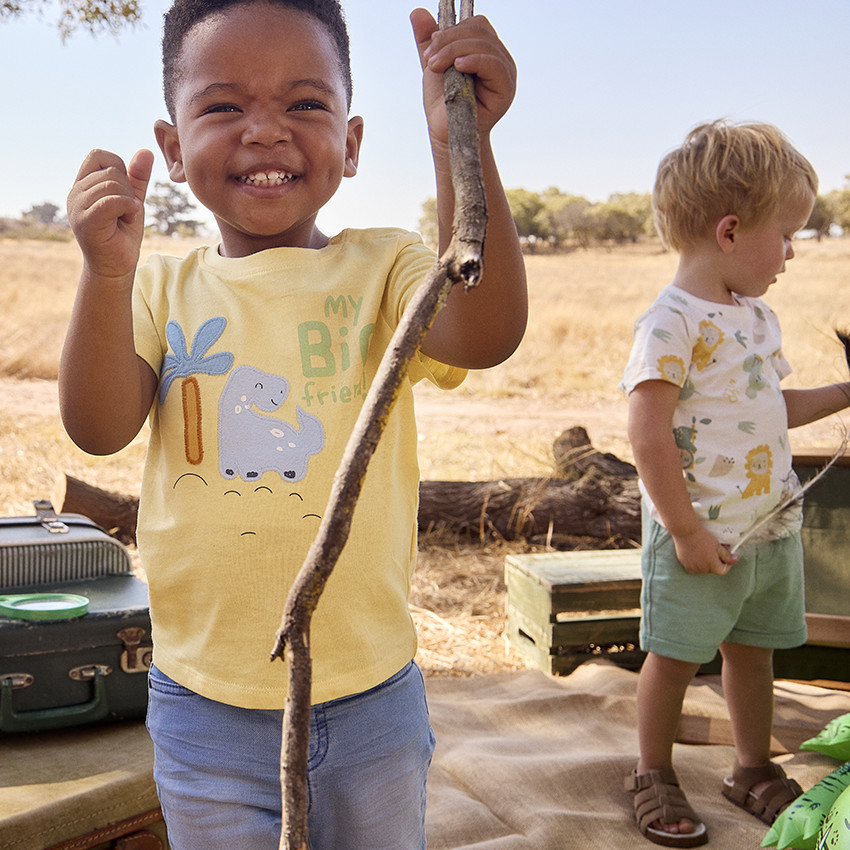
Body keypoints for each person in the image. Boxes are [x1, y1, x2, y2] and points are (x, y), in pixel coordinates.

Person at [59, 2, 526, 848]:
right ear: (171, 149)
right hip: (204, 707)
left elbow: (485, 335)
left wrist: (464, 141)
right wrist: (103, 273)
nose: (265, 132)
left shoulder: (387, 268)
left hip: (370, 698)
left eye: (304, 105)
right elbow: (97, 428)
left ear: (351, 143)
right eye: (225, 106)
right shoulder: (160, 291)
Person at [620, 119, 850, 847]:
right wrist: (685, 530)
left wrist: (846, 393)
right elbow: (647, 433)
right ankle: (652, 772)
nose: (790, 253)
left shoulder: (758, 319)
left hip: (769, 527)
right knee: (676, 654)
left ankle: (752, 766)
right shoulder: (670, 323)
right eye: (786, 234)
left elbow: (772, 409)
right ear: (729, 231)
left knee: (754, 651)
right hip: (702, 535)